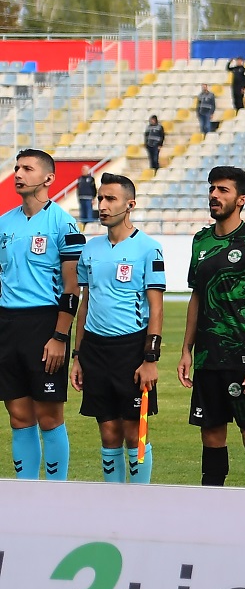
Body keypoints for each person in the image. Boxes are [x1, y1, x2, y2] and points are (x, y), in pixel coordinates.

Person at [177, 165, 245, 489]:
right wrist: (186, 350)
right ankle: (213, 507)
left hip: (244, 359)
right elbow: (197, 297)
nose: (214, 195)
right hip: (208, 358)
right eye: (212, 189)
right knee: (211, 434)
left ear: (241, 199)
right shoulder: (201, 240)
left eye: (223, 190)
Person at [70, 174, 163, 483]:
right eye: (100, 199)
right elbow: (85, 303)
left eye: (110, 199)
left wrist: (150, 359)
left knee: (133, 430)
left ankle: (139, 504)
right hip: (95, 350)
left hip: (132, 349)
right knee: (108, 431)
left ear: (129, 205)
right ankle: (113, 503)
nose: (103, 205)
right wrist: (78, 356)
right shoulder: (90, 249)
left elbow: (157, 307)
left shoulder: (149, 249)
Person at [0, 150, 83, 480]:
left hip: (44, 324)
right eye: (17, 167)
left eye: (27, 168)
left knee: (49, 416)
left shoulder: (63, 223)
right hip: (7, 326)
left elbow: (72, 286)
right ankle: (26, 493)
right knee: (18, 415)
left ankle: (55, 492)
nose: (18, 173)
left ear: (48, 178)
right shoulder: (4, 222)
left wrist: (60, 336)